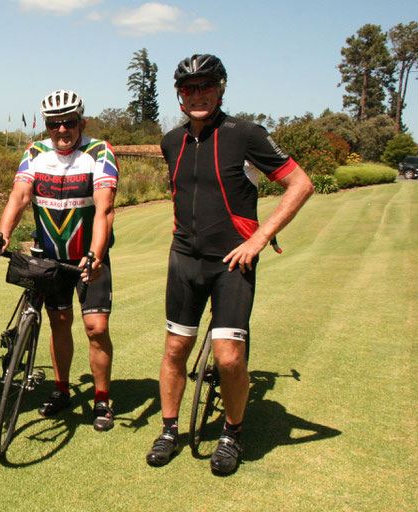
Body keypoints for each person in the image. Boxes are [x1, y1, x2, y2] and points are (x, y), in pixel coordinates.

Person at [146, 54, 313, 474]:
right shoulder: (172, 141)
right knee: (174, 349)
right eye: (189, 88)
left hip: (231, 263)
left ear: (221, 88)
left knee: (229, 359)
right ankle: (169, 430)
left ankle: (231, 433)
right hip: (184, 258)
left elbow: (300, 184)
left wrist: (259, 238)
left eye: (206, 86)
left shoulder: (247, 134)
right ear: (179, 96)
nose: (198, 94)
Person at [0, 89, 119, 432]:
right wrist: (2, 233)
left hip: (89, 258)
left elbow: (104, 209)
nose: (62, 130)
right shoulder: (34, 153)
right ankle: (61, 390)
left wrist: (97, 253)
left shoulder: (99, 152)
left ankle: (102, 398)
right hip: (50, 259)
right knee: (59, 322)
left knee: (96, 328)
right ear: (46, 125)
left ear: (82, 122)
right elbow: (19, 196)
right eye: (54, 124)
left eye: (69, 123)